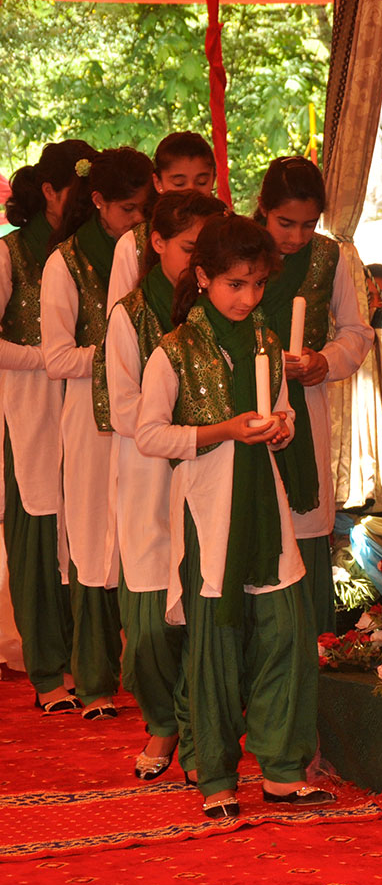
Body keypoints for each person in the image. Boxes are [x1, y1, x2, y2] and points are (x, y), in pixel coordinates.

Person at [135, 214, 335, 819]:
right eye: (234, 284)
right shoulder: (174, 350)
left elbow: (282, 412)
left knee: (284, 634)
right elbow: (149, 434)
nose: (248, 298)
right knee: (215, 643)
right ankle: (216, 775)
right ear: (203, 278)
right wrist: (221, 431)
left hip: (266, 506)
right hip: (209, 511)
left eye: (257, 284)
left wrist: (281, 429)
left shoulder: (268, 342)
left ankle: (281, 770)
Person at [106, 190, 228, 780]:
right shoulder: (129, 315)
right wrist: (194, 428)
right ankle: (162, 720)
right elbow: (122, 408)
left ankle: (202, 734)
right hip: (150, 475)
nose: (197, 261)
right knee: (152, 624)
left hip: (214, 477)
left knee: (206, 615)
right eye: (188, 248)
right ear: (156, 243)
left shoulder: (225, 310)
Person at [41, 146, 153, 720]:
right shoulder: (65, 263)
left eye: (145, 208)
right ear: (98, 202)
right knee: (91, 539)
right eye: (128, 209)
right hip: (89, 417)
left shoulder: (156, 251)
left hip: (148, 412)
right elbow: (57, 358)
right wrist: (120, 355)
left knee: (142, 531)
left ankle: (146, 672)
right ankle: (94, 680)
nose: (138, 220)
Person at [254, 156, 374, 637]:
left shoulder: (330, 256)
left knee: (303, 523)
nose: (297, 237)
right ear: (262, 209)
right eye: (285, 223)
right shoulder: (239, 249)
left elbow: (357, 332)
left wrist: (325, 360)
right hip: (241, 407)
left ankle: (308, 648)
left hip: (307, 404)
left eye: (309, 224)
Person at [0, 140, 91, 714]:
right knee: (37, 533)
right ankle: (46, 670)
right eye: (79, 193)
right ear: (51, 191)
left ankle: (86, 660)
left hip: (84, 402)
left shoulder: (93, 251)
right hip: (29, 405)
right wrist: (51, 357)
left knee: (83, 530)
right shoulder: (11, 253)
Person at [107, 132, 217, 307]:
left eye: (202, 182)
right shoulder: (132, 244)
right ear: (158, 183)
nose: (191, 190)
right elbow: (120, 314)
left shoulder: (227, 233)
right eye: (179, 183)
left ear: (213, 179)